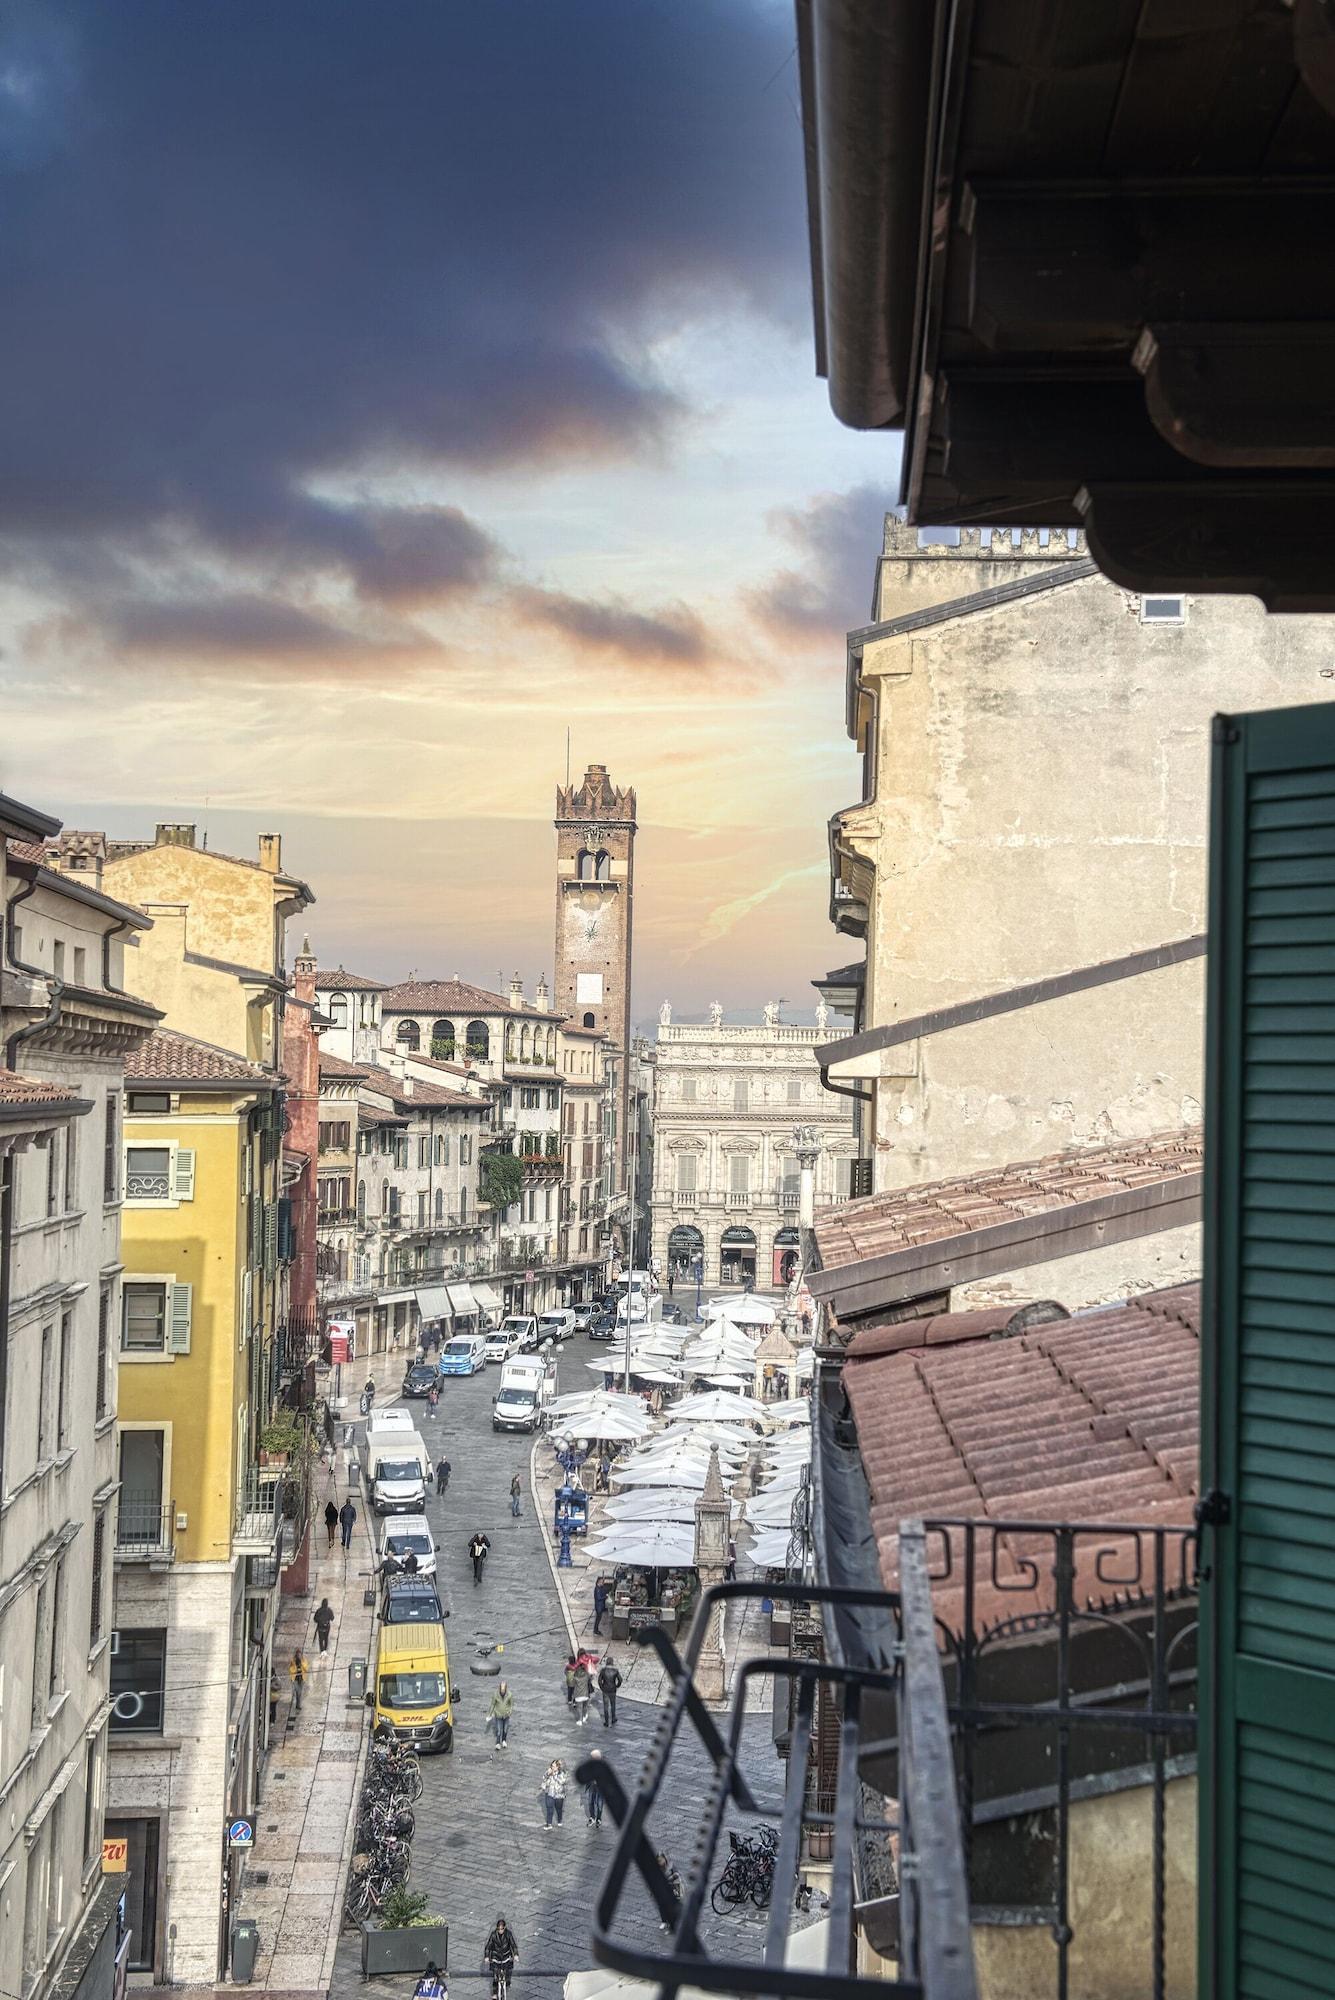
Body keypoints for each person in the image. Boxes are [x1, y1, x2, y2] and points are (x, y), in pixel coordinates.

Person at [483, 1918, 517, 1999]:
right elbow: (488, 1946)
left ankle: (507, 1982)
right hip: (496, 1957)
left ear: (504, 1928)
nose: (500, 1930)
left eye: (502, 1929)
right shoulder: (493, 1935)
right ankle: (495, 1993)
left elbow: (513, 1944)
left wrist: (515, 1955)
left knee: (507, 1972)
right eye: (499, 1929)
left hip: (506, 1956)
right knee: (495, 1977)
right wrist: (487, 1956)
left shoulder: (508, 1934)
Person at [657, 1851, 683, 1932]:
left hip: (674, 1888)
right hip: (663, 1890)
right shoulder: (657, 1869)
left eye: (661, 1860)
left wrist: (669, 1879)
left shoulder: (670, 1866)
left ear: (665, 1859)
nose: (661, 1862)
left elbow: (677, 1874)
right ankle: (664, 1921)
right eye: (659, 1861)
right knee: (662, 1906)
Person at [486, 1679, 513, 1750]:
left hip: (506, 1715)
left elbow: (511, 1705)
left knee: (505, 1729)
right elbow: (492, 1704)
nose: (502, 1690)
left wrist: (510, 1711)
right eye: (502, 1689)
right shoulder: (496, 1695)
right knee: (498, 1729)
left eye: (504, 1689)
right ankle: (498, 1743)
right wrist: (489, 1714)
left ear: (506, 1688)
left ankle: (504, 1740)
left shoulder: (509, 1694)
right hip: (498, 1715)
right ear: (500, 1688)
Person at [540, 1761, 567, 1829]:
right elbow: (544, 1778)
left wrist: (554, 1775)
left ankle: (559, 1819)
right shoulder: (548, 1771)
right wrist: (547, 1774)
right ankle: (549, 1824)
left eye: (554, 1766)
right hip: (549, 1793)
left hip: (559, 1794)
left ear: (558, 1767)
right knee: (549, 1808)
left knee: (559, 1809)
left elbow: (562, 1781)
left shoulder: (562, 1773)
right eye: (552, 1766)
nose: (552, 1767)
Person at [598, 1655, 622, 1728]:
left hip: (605, 1689)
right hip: (612, 1689)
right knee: (613, 1704)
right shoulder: (615, 1670)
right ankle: (613, 1718)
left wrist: (602, 1687)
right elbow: (620, 1680)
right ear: (612, 1663)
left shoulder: (603, 1670)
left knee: (605, 1706)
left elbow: (599, 1681)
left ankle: (606, 1722)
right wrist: (617, 1686)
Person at [583, 1749, 605, 1826]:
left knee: (599, 1804)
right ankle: (592, 1817)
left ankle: (598, 1819)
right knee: (590, 1802)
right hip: (592, 1786)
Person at [571, 1656, 592, 1726]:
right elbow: (590, 1677)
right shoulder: (586, 1676)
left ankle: (580, 1720)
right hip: (585, 1694)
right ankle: (584, 1716)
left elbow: (573, 1683)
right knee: (585, 1706)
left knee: (579, 1708)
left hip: (578, 1694)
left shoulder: (575, 1677)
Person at [289, 1648, 308, 1714]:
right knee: (297, 1692)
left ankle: (298, 1705)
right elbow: (291, 1670)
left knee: (299, 1692)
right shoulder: (293, 1661)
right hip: (295, 1679)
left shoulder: (304, 1660)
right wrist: (296, 1670)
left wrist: (301, 1663)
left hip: (302, 1679)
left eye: (300, 1654)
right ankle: (298, 1704)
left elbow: (306, 1669)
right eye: (298, 1655)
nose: (299, 1656)